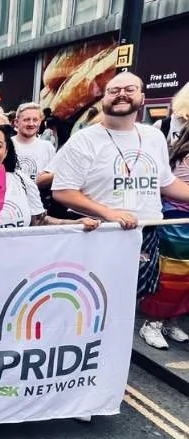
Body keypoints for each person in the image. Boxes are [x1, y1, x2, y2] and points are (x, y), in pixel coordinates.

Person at [48, 72, 189, 350]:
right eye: (114, 90)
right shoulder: (85, 140)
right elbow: (63, 191)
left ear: (142, 98)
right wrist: (108, 213)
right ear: (103, 99)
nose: (122, 94)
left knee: (128, 305)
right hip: (101, 233)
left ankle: (112, 360)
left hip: (145, 232)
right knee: (89, 303)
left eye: (130, 89)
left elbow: (165, 182)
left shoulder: (153, 137)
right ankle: (81, 355)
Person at [140, 126, 189, 348]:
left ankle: (171, 321)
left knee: (186, 279)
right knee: (171, 276)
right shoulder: (184, 157)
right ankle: (153, 323)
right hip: (176, 224)